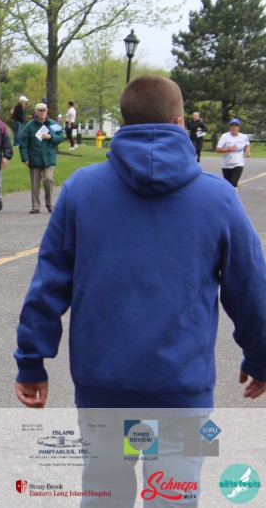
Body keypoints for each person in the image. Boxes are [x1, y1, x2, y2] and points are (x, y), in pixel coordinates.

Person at [14, 76, 266, 507]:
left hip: (103, 387)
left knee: (104, 496)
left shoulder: (81, 191)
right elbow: (251, 290)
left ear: (124, 122)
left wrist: (32, 360)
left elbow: (49, 284)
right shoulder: (219, 198)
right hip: (181, 390)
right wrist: (259, 357)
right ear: (180, 122)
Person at [17, 103, 64, 213]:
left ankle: (50, 204)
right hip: (34, 158)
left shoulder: (53, 124)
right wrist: (25, 158)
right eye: (40, 110)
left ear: (47, 111)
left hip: (49, 158)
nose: (42, 113)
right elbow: (23, 143)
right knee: (35, 183)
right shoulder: (29, 126)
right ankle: (35, 206)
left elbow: (61, 137)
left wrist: (51, 137)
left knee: (48, 179)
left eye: (44, 110)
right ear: (36, 112)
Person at [216, 118, 252, 187]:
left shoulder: (244, 137)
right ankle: (229, 194)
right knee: (228, 184)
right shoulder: (225, 136)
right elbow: (218, 150)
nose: (234, 127)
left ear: (239, 127)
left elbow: (247, 145)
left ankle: (235, 194)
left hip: (238, 163)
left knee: (234, 183)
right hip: (226, 164)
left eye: (236, 126)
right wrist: (229, 149)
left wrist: (248, 151)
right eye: (232, 126)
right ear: (229, 127)